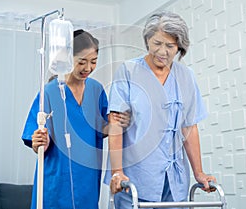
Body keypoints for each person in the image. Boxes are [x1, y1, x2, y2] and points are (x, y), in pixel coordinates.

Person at [106, 11, 217, 208]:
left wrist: (198, 172)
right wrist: (117, 171)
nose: (162, 51)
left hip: (174, 181)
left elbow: (189, 128)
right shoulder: (129, 71)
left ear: (179, 47)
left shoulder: (186, 76)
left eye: (170, 46)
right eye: (157, 43)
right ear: (147, 41)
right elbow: (115, 123)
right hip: (135, 178)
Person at [22, 29, 130, 209]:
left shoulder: (96, 90)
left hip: (87, 178)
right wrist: (38, 141)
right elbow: (35, 138)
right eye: (82, 62)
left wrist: (118, 124)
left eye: (93, 62)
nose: (88, 68)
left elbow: (101, 128)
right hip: (56, 178)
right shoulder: (50, 92)